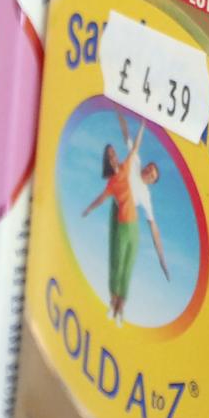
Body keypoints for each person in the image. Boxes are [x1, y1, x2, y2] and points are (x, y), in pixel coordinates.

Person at [82, 117, 172, 319]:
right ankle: (113, 301)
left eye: (152, 176)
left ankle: (120, 305)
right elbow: (127, 136)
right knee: (115, 257)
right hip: (117, 213)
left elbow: (153, 226)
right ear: (145, 166)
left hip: (130, 222)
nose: (148, 173)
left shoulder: (146, 196)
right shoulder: (133, 163)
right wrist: (120, 111)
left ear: (152, 182)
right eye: (149, 169)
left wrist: (161, 258)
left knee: (127, 263)